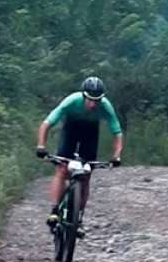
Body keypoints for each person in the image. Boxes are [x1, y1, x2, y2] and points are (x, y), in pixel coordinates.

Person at [35, 76, 124, 230]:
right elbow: (46, 124)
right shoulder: (72, 101)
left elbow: (117, 133)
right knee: (62, 168)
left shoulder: (105, 106)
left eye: (97, 100)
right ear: (83, 96)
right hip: (71, 128)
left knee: (86, 175)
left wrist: (116, 156)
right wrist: (41, 146)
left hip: (90, 132)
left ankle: (79, 218)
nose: (93, 104)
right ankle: (55, 210)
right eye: (90, 99)